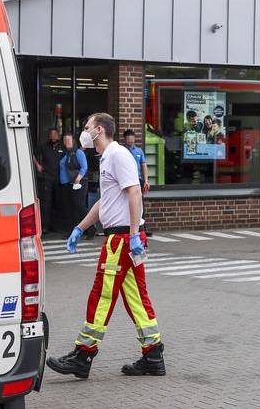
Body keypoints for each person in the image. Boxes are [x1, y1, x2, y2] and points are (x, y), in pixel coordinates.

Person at [46, 112, 165, 379]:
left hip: (121, 239)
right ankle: (153, 354)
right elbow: (105, 203)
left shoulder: (117, 155)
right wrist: (80, 227)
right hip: (124, 238)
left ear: (99, 130)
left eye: (87, 127)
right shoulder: (107, 157)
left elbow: (134, 192)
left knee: (102, 294)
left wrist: (133, 235)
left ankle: (83, 354)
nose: (84, 131)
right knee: (135, 297)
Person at [33, 128, 64, 234]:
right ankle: (45, 226)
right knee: (46, 202)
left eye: (55, 134)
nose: (53, 136)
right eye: (51, 134)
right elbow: (32, 153)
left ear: (58, 136)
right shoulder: (44, 146)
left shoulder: (62, 147)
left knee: (58, 201)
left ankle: (56, 226)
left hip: (59, 178)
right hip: (47, 177)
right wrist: (37, 165)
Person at [123, 129, 153, 237]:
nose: (131, 141)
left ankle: (143, 227)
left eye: (132, 139)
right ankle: (129, 227)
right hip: (126, 180)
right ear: (125, 139)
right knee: (127, 204)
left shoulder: (139, 151)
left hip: (138, 180)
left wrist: (146, 180)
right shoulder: (122, 151)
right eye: (128, 140)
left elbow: (143, 165)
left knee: (140, 204)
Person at [58, 133, 89, 235]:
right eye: (65, 140)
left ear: (73, 141)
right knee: (69, 208)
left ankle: (91, 227)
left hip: (78, 183)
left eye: (69, 140)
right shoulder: (65, 153)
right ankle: (72, 231)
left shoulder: (78, 152)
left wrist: (78, 178)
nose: (67, 142)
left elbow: (84, 167)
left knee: (79, 206)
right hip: (66, 184)